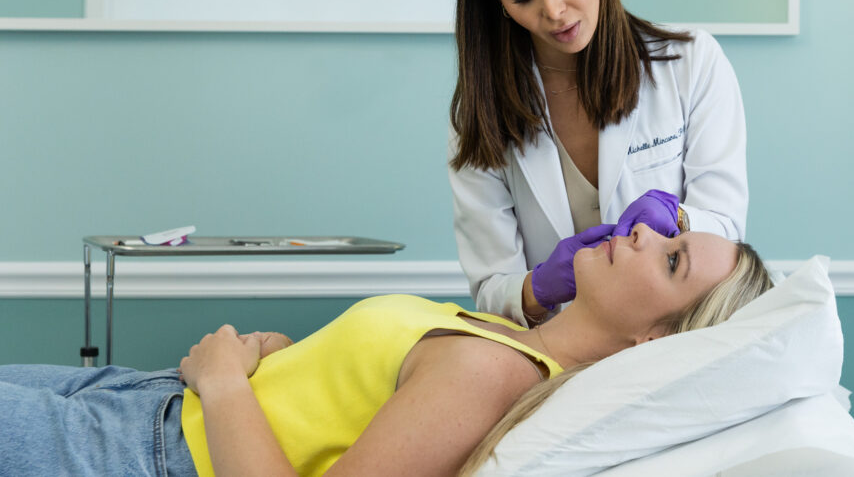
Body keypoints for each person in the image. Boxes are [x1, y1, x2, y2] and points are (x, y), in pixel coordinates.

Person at [0, 227, 771, 477]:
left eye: (671, 260)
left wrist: (226, 381)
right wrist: (288, 358)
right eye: (671, 233)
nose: (643, 232)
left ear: (656, 340)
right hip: (143, 400)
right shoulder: (507, 337)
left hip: (150, 451)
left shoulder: (495, 373)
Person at [448, 0, 749, 327]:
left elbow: (726, 233)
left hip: (675, 341)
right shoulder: (481, 115)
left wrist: (680, 218)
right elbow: (492, 289)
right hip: (560, 349)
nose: (554, 10)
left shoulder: (691, 63)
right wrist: (539, 287)